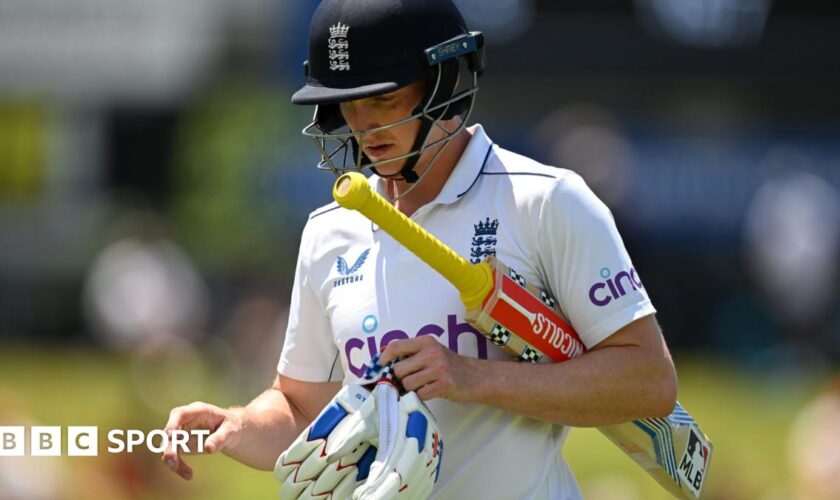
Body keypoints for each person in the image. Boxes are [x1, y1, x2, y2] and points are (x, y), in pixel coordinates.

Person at [162, 0, 678, 498]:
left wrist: (473, 376)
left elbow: (646, 381)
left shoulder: (545, 202)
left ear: (446, 83)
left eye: (383, 99)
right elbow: (301, 411)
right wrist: (238, 424)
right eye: (348, 103)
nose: (363, 125)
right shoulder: (329, 232)